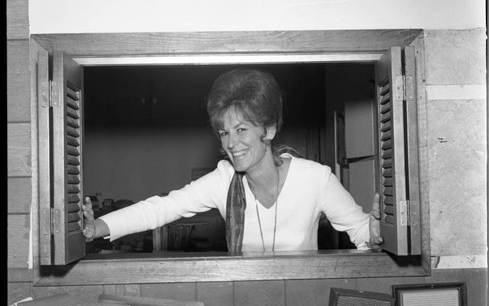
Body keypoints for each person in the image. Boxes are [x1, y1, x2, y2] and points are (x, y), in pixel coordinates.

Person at [83, 69, 383, 253]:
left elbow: (361, 233)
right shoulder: (223, 181)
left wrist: (377, 233)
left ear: (269, 129)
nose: (230, 143)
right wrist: (98, 227)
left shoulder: (316, 179)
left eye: (241, 130)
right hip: (246, 303)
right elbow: (162, 208)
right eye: (224, 132)